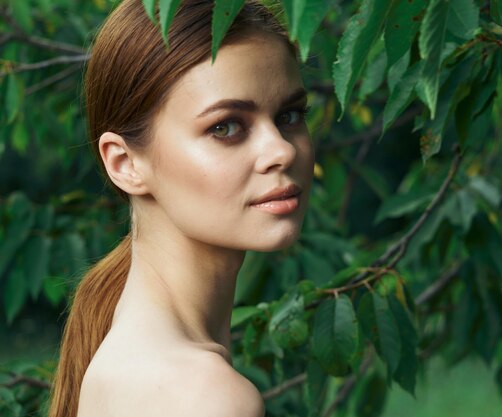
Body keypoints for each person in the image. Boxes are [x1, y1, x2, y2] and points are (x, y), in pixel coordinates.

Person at [47, 0, 315, 416]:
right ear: (125, 163)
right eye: (224, 127)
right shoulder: (205, 396)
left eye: (290, 115)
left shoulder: (130, 354)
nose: (280, 150)